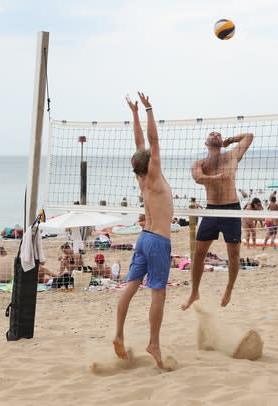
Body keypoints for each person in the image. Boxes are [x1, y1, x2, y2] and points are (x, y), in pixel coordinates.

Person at [113, 92, 174, 369]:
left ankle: (118, 334)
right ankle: (154, 343)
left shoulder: (141, 176)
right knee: (158, 292)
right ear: (149, 163)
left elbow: (140, 144)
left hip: (142, 238)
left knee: (131, 287)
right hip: (159, 240)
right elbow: (153, 140)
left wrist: (134, 113)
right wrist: (149, 109)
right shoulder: (154, 173)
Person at [181, 129, 253, 311]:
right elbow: (198, 178)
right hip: (212, 210)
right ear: (206, 143)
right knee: (198, 253)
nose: (214, 134)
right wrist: (216, 178)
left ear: (220, 142)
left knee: (234, 255)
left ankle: (229, 287)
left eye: (218, 134)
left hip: (232, 210)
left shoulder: (232, 155)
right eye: (211, 134)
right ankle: (194, 292)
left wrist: (229, 140)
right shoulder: (200, 163)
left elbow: (249, 136)